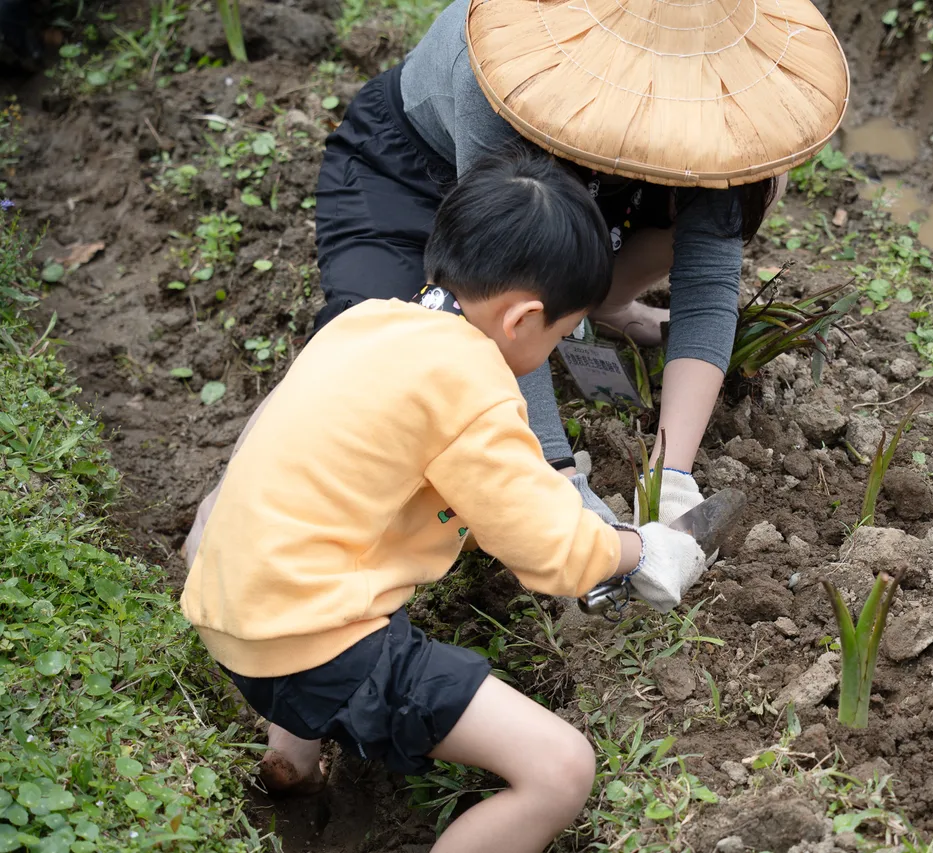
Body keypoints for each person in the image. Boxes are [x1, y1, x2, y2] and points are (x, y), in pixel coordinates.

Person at [180, 151, 708, 853]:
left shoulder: (365, 321)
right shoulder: (470, 385)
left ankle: (293, 762)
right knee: (561, 768)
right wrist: (642, 547)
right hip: (308, 642)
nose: (549, 352)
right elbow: (554, 552)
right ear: (523, 319)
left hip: (228, 603)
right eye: (559, 335)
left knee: (344, 548)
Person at [311, 0, 849, 525]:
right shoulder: (504, 63)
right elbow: (501, 280)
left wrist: (671, 476)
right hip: (416, 175)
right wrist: (556, 474)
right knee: (379, 356)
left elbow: (708, 279)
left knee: (754, 182)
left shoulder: (720, 100)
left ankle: (608, 304)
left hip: (581, 187)